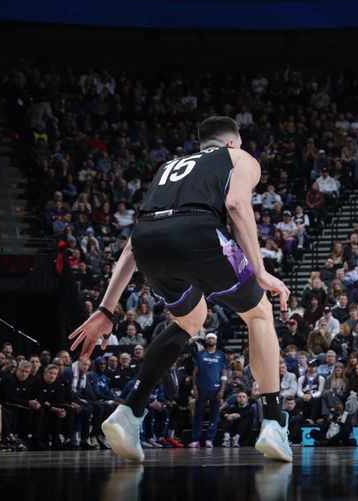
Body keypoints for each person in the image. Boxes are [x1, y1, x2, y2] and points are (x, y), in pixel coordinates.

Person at [68, 116, 292, 462]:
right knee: (259, 313)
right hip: (198, 233)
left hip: (149, 242)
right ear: (233, 141)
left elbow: (132, 244)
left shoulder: (168, 167)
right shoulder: (239, 157)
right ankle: (275, 424)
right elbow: (235, 205)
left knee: (192, 319)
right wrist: (260, 270)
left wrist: (106, 309)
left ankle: (130, 412)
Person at [189, 333, 227, 448]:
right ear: (206, 341)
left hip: (215, 389)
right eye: (209, 338)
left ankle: (209, 439)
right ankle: (196, 439)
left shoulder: (221, 355)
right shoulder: (200, 354)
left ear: (216, 340)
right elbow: (195, 372)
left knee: (214, 415)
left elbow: (224, 373)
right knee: (198, 415)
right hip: (201, 388)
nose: (211, 340)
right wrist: (194, 387)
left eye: (213, 338)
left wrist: (222, 389)